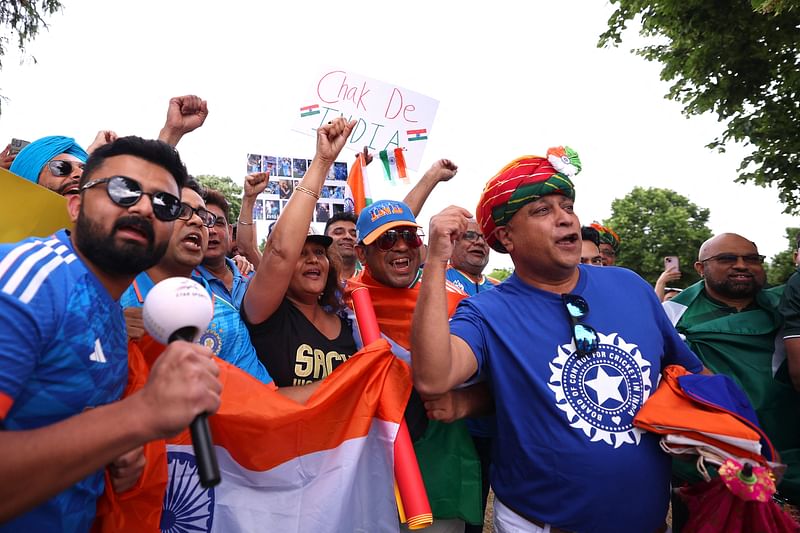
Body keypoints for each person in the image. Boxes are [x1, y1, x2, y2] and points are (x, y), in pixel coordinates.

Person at [411, 147, 704, 533]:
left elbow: (689, 377)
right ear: (506, 237)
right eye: (542, 211)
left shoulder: (631, 286)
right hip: (539, 524)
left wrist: (734, 442)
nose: (565, 218)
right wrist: (436, 261)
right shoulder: (488, 312)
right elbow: (434, 378)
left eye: (566, 205)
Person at [0, 136, 221, 531]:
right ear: (76, 204)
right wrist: (137, 416)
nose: (142, 207)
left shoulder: (112, 315)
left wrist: (111, 448)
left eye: (164, 204)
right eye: (123, 189)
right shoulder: (28, 281)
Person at [349, 198, 484, 533]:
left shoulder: (455, 304)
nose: (400, 246)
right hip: (367, 481)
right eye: (386, 239)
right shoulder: (340, 305)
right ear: (362, 253)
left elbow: (506, 384)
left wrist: (464, 403)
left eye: (409, 237)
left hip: (437, 475)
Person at [664, 233, 800, 510]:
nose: (741, 265)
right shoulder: (670, 314)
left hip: (788, 453)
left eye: (752, 259)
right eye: (727, 259)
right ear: (700, 268)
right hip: (708, 464)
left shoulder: (785, 307)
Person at [242, 118, 358, 389]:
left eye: (319, 252)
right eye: (301, 254)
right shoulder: (266, 314)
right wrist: (322, 161)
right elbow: (280, 251)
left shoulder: (348, 323)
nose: (313, 259)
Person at [120, 178, 271, 385]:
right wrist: (109, 333)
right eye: (181, 210)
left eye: (203, 216)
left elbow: (262, 399)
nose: (198, 222)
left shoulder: (226, 315)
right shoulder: (110, 297)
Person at [8, 95, 208, 195]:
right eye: (61, 168)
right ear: (27, 177)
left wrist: (172, 132)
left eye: (85, 170)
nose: (78, 175)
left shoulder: (107, 248)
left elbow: (142, 183)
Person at [443, 217, 498, 533]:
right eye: (470, 237)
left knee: (481, 506)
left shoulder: (500, 290)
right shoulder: (431, 282)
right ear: (451, 243)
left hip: (495, 419)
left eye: (483, 238)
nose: (479, 242)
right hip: (451, 420)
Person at [196, 187, 250, 309]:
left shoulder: (249, 275)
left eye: (219, 223)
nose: (212, 231)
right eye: (204, 222)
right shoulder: (185, 282)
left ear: (230, 232)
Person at [324, 211, 360, 280]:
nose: (348, 236)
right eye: (338, 233)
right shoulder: (315, 280)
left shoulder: (371, 283)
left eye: (354, 234)